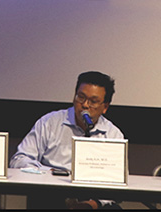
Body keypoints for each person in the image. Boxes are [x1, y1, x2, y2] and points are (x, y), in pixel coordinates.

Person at [9, 71, 124, 209]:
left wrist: (93, 204)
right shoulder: (50, 122)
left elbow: (119, 180)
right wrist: (47, 172)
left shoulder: (113, 134)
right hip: (51, 194)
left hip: (92, 199)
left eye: (93, 102)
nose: (85, 105)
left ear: (105, 107)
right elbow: (19, 159)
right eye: (81, 97)